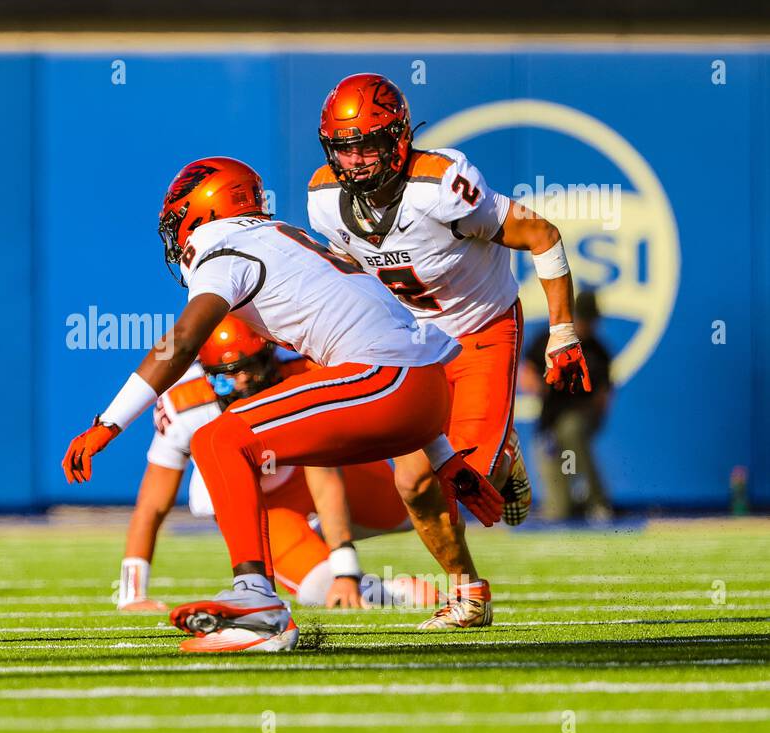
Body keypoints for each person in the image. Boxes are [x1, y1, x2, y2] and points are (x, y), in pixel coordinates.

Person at [63, 156, 502, 653]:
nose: (175, 237)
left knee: (219, 437)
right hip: (418, 390)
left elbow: (181, 342)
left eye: (178, 220)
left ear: (202, 212)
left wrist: (108, 422)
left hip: (390, 381)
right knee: (230, 439)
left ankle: (258, 604)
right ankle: (466, 591)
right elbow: (381, 330)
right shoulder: (281, 238)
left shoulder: (224, 246)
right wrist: (444, 454)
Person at [307, 73, 593, 623]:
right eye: (346, 147)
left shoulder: (441, 185)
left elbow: (542, 235)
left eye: (370, 143)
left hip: (481, 329)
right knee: (411, 482)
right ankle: (467, 592)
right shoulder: (323, 200)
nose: (359, 160)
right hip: (411, 345)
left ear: (399, 137)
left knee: (465, 477)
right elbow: (348, 279)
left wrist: (562, 333)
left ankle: (502, 457)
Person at [118, 315, 433, 614]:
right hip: (262, 507)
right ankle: (395, 590)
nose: (242, 382)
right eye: (229, 373)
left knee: (415, 508)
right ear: (208, 372)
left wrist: (346, 567)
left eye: (250, 368)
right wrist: (133, 593)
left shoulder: (299, 369)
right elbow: (153, 503)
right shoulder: (186, 402)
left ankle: (323, 534)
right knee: (322, 590)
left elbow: (322, 471)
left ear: (269, 356)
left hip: (313, 474)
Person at [521, 291, 614, 521]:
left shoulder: (598, 352)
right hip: (549, 423)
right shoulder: (549, 340)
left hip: (580, 417)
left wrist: (590, 417)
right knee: (557, 510)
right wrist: (536, 384)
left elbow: (603, 397)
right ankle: (575, 502)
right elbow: (528, 370)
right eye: (582, 319)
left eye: (589, 320)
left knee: (570, 429)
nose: (586, 325)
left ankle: (597, 501)